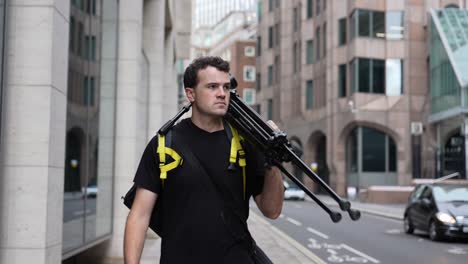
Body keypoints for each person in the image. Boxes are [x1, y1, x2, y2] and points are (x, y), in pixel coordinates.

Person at [124, 56, 284, 264]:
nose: (222, 94)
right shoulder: (164, 145)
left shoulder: (244, 143)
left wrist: (273, 162)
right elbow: (139, 216)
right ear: (190, 94)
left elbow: (272, 210)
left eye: (226, 87)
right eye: (212, 86)